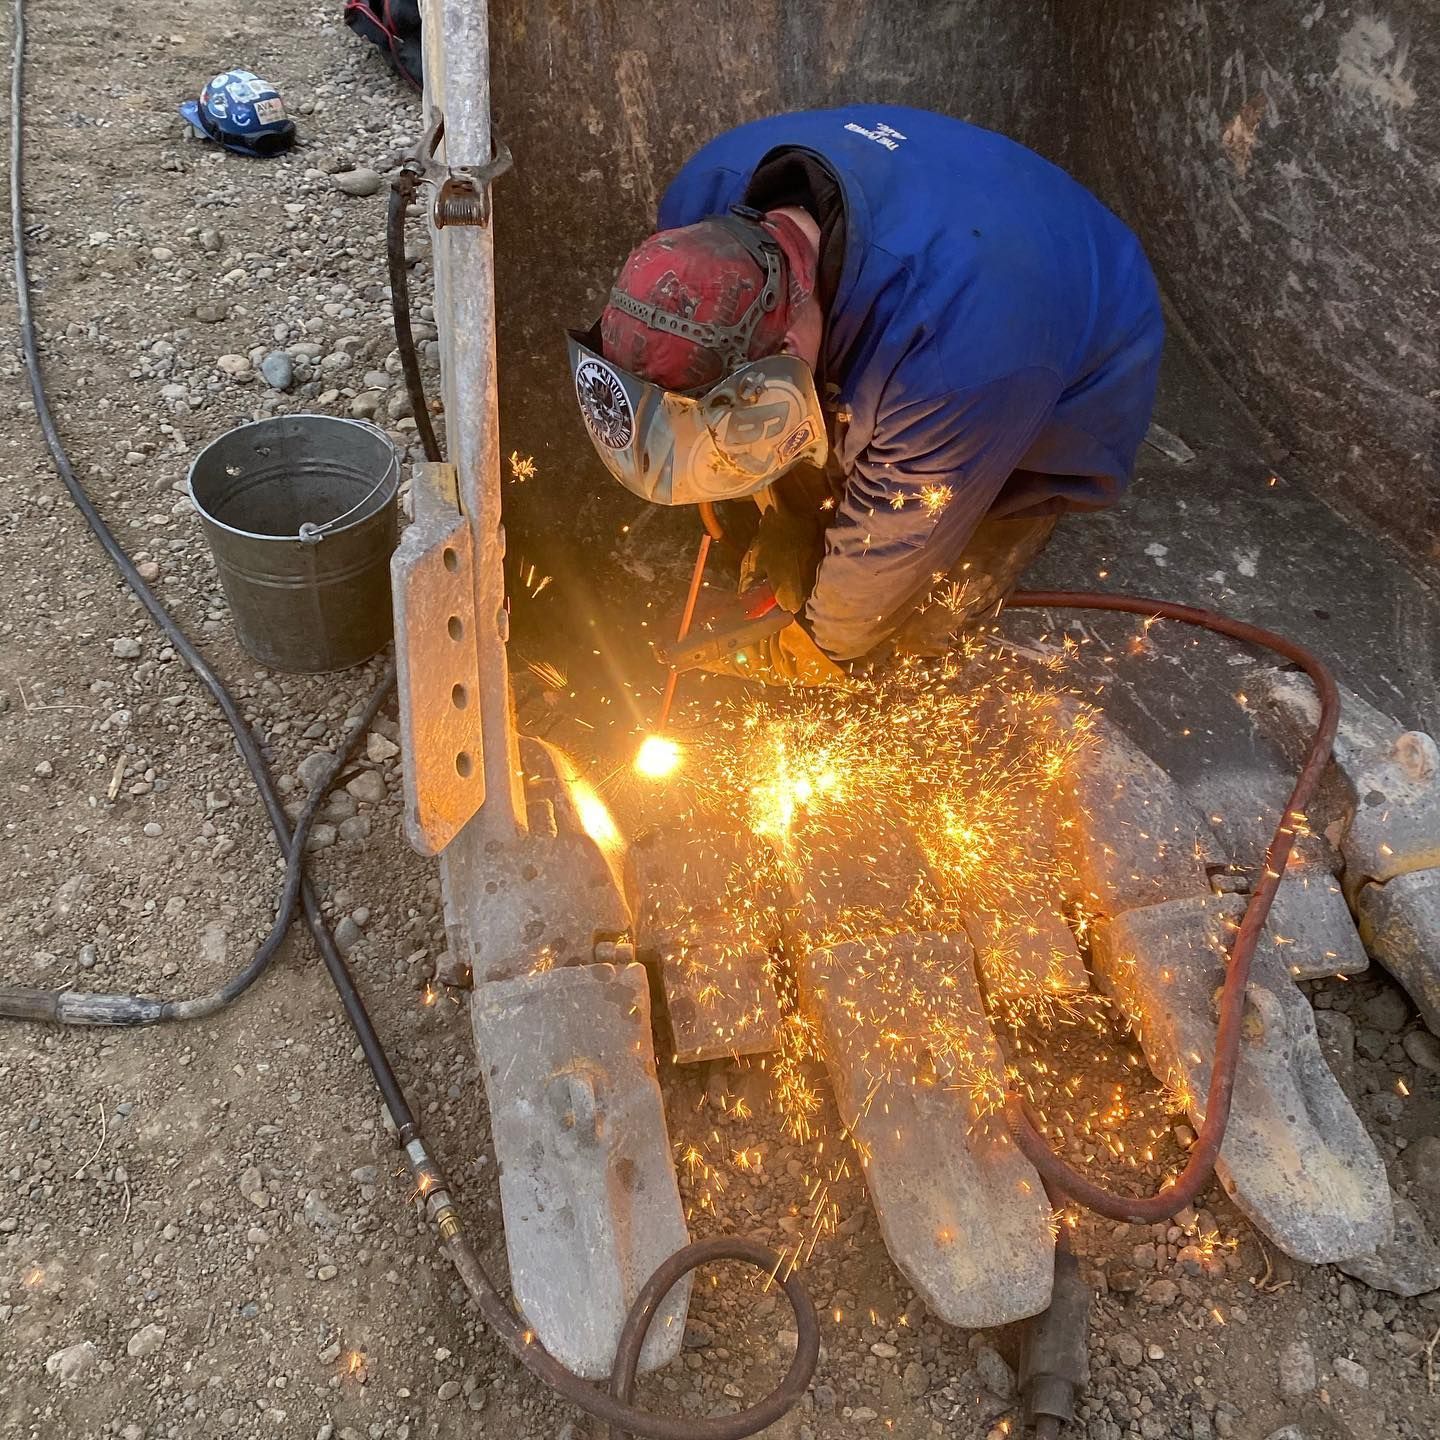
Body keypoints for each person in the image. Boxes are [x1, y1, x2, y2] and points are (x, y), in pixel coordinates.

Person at [567, 105, 1164, 684]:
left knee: (910, 621)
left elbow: (897, 534)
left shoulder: (951, 361)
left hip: (1067, 347)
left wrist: (814, 645)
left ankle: (994, 517)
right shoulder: (701, 199)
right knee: (810, 469)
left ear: (793, 347)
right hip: (948, 222)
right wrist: (780, 509)